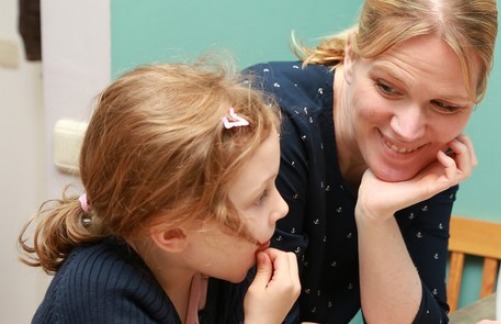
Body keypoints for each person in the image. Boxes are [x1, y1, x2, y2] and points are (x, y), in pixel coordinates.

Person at [242, 0, 498, 322]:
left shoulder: (433, 152)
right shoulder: (273, 119)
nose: (408, 131)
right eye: (388, 88)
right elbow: (258, 315)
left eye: (445, 106)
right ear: (351, 56)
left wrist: (374, 215)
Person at [17, 59, 301, 323]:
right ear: (172, 234)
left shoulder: (215, 262)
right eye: (260, 196)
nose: (282, 207)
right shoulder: (96, 296)